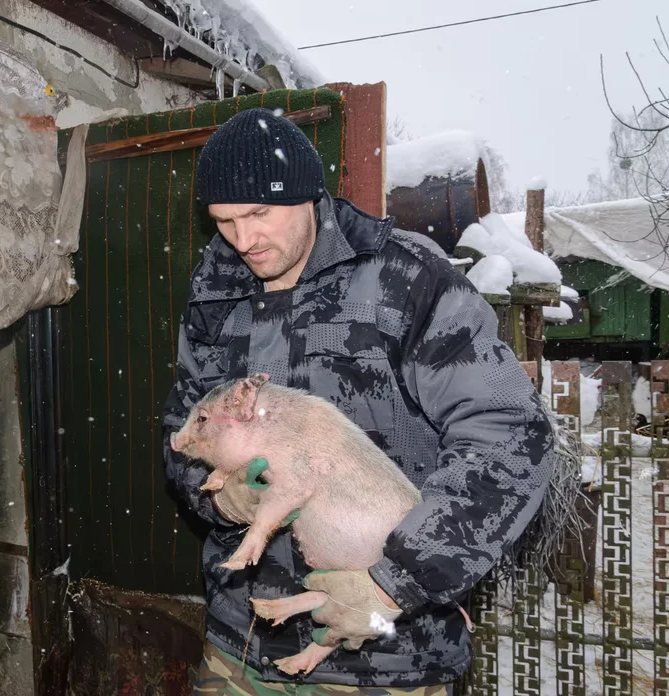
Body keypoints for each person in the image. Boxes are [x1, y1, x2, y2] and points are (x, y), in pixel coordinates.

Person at [161, 107, 556, 694]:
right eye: (224, 221)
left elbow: (511, 435)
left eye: (258, 214)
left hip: (387, 661)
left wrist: (396, 580)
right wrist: (221, 501)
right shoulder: (216, 293)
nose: (243, 240)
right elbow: (183, 431)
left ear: (309, 195)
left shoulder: (403, 277)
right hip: (239, 644)